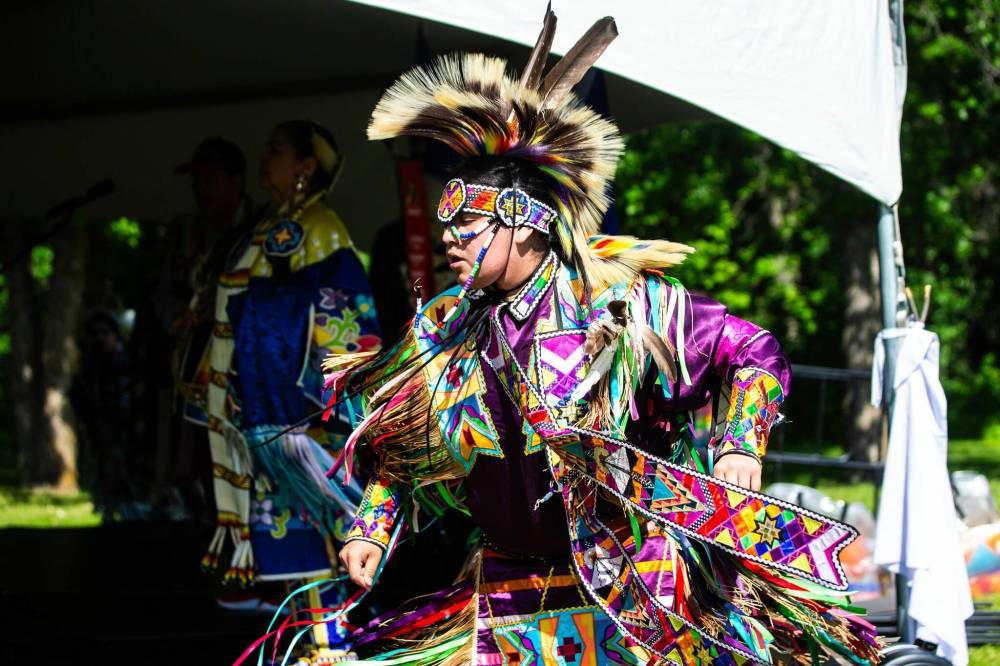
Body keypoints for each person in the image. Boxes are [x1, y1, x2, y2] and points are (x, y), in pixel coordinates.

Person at [320, 9, 881, 666]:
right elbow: (401, 436)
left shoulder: (615, 302)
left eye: (467, 226)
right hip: (509, 588)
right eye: (448, 224)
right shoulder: (445, 324)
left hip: (630, 576)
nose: (448, 239)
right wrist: (374, 526)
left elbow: (749, 351)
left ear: (525, 226)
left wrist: (739, 444)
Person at [200, 120, 381, 658]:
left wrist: (322, 395)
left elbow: (346, 316)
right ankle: (314, 647)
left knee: (326, 538)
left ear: (306, 167)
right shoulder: (269, 226)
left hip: (305, 420)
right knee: (290, 541)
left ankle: (335, 648)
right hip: (266, 414)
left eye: (276, 151)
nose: (264, 159)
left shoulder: (321, 226)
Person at [160, 137, 260, 518]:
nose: (200, 190)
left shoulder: (263, 226)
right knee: (198, 459)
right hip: (196, 367)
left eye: (210, 179)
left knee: (249, 458)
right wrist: (176, 316)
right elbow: (163, 292)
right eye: (196, 181)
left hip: (248, 367)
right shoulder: (185, 230)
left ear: (237, 181)